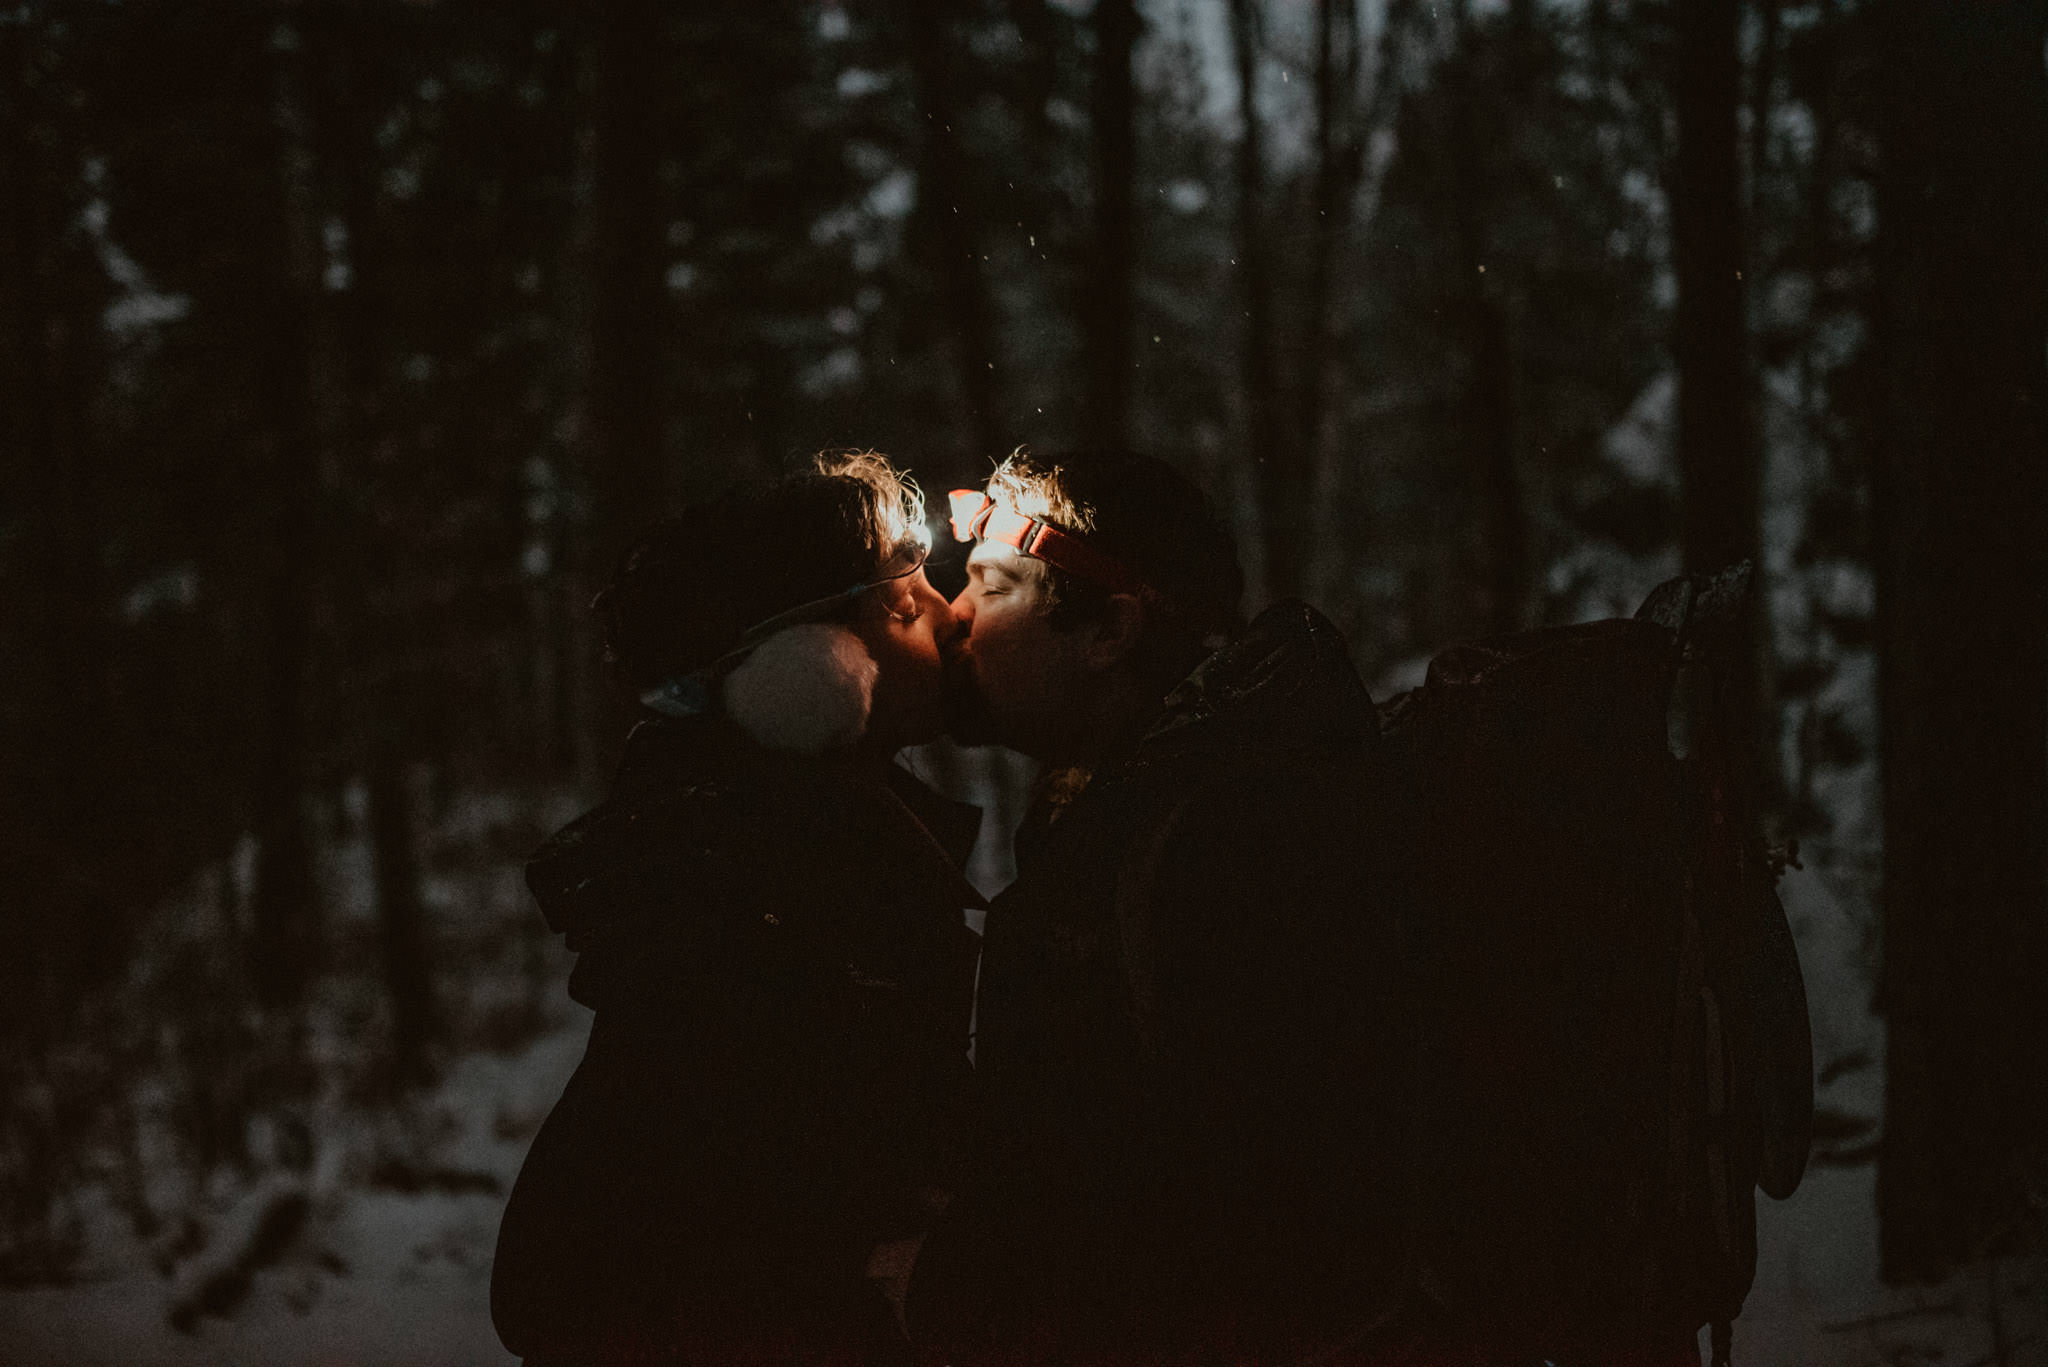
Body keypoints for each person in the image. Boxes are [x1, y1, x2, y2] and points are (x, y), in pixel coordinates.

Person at [906, 452, 1416, 1364]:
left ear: (1109, 631)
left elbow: (1239, 1228)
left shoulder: (1235, 848)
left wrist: (948, 1285)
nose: (955, 614)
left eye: (992, 583)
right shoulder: (1126, 808)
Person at [491, 454, 984, 1366]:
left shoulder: (779, 864)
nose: (954, 614)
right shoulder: (754, 917)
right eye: (906, 600)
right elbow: (568, 1280)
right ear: (811, 671)